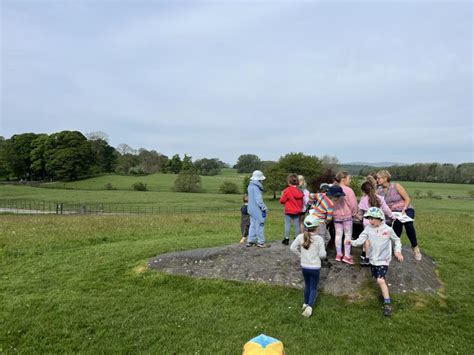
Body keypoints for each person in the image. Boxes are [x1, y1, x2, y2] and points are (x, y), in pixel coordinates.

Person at [351, 207, 404, 316]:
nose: (370, 221)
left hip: (383, 259)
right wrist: (351, 242)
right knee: (378, 278)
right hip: (373, 259)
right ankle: (384, 290)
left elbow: (397, 240)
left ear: (380, 218)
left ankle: (387, 303)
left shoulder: (388, 230)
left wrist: (397, 252)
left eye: (372, 219)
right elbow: (360, 240)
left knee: (380, 280)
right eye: (369, 219)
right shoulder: (368, 229)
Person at [376, 170, 422, 261]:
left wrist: (404, 209)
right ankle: (397, 249)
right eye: (377, 178)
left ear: (385, 178)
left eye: (379, 178)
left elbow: (407, 198)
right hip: (392, 212)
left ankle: (415, 247)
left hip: (406, 209)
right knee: (397, 225)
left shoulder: (396, 186)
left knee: (408, 224)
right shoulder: (379, 191)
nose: (377, 180)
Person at [290, 214, 327, 318]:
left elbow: (292, 248)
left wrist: (301, 256)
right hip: (315, 267)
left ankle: (305, 303)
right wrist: (323, 256)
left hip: (304, 266)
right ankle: (310, 306)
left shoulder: (300, 237)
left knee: (307, 285)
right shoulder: (319, 239)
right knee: (313, 287)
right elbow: (322, 254)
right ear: (317, 227)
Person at [357, 181, 395, 265]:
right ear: (373, 189)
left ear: (363, 191)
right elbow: (386, 209)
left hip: (368, 222)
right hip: (379, 222)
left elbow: (360, 213)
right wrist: (392, 216)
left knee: (367, 239)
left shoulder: (364, 200)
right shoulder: (380, 198)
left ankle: (365, 257)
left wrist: (359, 218)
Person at [332, 171, 359, 264]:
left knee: (338, 235)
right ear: (344, 179)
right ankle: (347, 255)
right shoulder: (348, 190)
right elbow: (354, 204)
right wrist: (355, 213)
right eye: (349, 178)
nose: (350, 180)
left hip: (336, 216)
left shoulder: (333, 189)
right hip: (347, 216)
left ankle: (338, 254)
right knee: (348, 235)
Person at [280, 174, 304, 245]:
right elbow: (301, 202)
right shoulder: (300, 191)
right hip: (297, 211)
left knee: (287, 224)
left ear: (289, 182)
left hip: (289, 210)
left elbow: (282, 201)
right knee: (297, 225)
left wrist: (282, 198)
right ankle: (297, 239)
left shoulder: (287, 190)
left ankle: (286, 239)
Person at [246, 170, 269, 248]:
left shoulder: (250, 186)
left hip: (250, 208)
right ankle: (261, 242)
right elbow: (258, 200)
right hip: (257, 209)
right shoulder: (256, 187)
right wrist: (264, 207)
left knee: (252, 224)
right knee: (260, 224)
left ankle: (251, 241)